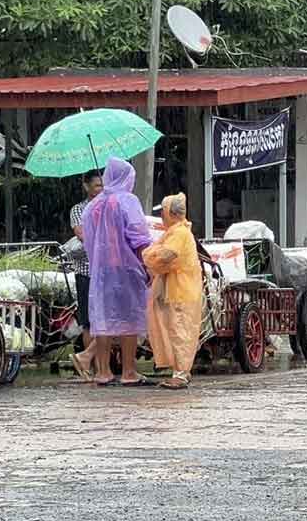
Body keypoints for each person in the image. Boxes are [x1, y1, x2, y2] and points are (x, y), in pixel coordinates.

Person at [81, 157, 153, 387]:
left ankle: (103, 371)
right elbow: (138, 236)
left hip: (100, 271)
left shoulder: (93, 206)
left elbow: (88, 238)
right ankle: (129, 371)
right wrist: (147, 264)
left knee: (102, 318)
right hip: (126, 267)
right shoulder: (127, 201)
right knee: (128, 318)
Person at [143, 194, 205, 390]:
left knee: (180, 332)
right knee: (178, 331)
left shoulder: (179, 233)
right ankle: (181, 371)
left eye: (162, 211)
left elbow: (168, 255)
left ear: (169, 212)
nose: (161, 215)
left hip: (180, 290)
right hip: (178, 288)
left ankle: (180, 374)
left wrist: (149, 257)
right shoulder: (176, 231)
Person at [68, 169, 103, 380]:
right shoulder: (78, 209)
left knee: (105, 320)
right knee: (89, 321)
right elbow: (82, 234)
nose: (100, 189)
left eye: (102, 185)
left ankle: (102, 367)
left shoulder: (109, 205)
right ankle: (88, 366)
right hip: (86, 271)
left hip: (106, 272)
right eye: (97, 185)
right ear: (86, 186)